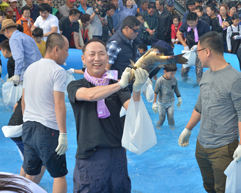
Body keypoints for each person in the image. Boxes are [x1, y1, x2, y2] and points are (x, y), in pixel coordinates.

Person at [67, 38, 149, 192]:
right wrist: (118, 84)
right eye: (92, 54)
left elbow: (132, 110)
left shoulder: (118, 85)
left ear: (107, 58)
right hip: (90, 156)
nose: (97, 59)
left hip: (117, 153)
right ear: (83, 59)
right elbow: (90, 96)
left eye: (101, 54)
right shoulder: (76, 85)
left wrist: (137, 89)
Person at [178, 31, 241, 193]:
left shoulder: (236, 80)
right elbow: (200, 106)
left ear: (207, 51)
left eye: (198, 51)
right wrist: (188, 129)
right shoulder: (206, 75)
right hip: (202, 144)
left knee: (223, 189)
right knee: (209, 187)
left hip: (223, 148)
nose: (197, 56)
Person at [21, 33, 69, 193]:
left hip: (28, 127)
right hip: (48, 130)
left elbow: (23, 101)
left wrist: (26, 121)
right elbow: (59, 103)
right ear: (57, 49)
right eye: (66, 50)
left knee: (30, 173)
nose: (68, 54)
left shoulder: (30, 68)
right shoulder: (58, 71)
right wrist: (63, 134)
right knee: (59, 175)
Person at [1, 19, 42, 85]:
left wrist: (17, 74)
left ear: (6, 30)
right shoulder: (27, 36)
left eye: (4, 34)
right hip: (39, 69)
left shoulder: (14, 39)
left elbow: (19, 57)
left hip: (29, 72)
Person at [177, 12, 210, 84]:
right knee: (184, 70)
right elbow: (178, 33)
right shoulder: (185, 24)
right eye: (189, 23)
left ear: (197, 20)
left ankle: (199, 85)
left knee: (199, 71)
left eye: (192, 23)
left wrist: (199, 47)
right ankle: (184, 82)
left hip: (200, 50)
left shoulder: (204, 25)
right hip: (189, 49)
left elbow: (208, 39)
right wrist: (185, 45)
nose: (190, 25)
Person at [106, 15, 141, 80]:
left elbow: (138, 61)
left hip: (128, 82)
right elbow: (106, 67)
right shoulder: (115, 43)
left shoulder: (133, 41)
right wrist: (114, 84)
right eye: (135, 30)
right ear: (127, 28)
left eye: (138, 30)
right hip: (118, 84)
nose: (137, 33)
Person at [152, 63, 182, 130]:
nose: (173, 75)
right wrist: (154, 103)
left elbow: (176, 89)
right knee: (162, 118)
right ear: (165, 71)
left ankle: (172, 128)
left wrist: (179, 98)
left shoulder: (174, 79)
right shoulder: (160, 81)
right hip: (161, 103)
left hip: (171, 102)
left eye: (174, 73)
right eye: (171, 73)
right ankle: (157, 127)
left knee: (171, 118)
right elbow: (155, 91)